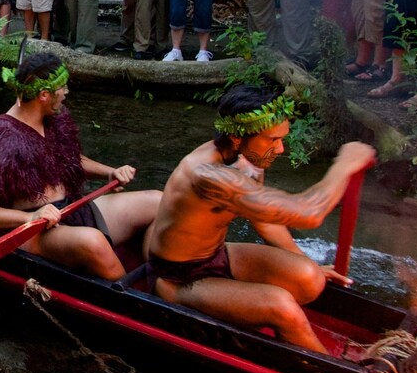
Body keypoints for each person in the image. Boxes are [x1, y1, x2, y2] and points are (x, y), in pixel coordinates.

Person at [148, 85, 375, 352]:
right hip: (178, 278)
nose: (280, 149)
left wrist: (302, 260)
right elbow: (310, 214)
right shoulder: (208, 175)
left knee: (310, 277)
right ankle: (334, 368)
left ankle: (243, 309)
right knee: (282, 307)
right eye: (272, 140)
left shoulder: (247, 159)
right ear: (237, 137)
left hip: (215, 255)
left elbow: (265, 219)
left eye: (281, 139)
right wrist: (344, 165)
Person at [0, 53, 162, 280]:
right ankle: (131, 296)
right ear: (44, 95)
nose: (66, 92)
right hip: (34, 230)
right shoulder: (1, 139)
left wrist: (109, 172)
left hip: (71, 208)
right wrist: (29, 218)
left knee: (158, 201)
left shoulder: (53, 118)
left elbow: (68, 159)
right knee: (94, 242)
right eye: (62, 88)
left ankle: (157, 280)